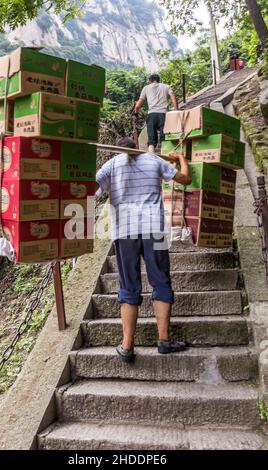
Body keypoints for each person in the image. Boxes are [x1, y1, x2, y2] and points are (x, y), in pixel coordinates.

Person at [95, 137, 191, 363]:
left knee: (128, 284)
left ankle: (127, 346)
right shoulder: (154, 160)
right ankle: (164, 341)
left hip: (124, 233)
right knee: (160, 280)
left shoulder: (112, 164)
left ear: (118, 150)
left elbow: (91, 189)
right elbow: (185, 179)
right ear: (136, 148)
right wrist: (181, 159)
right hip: (154, 231)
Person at [134, 74, 178, 155]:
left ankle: (151, 157)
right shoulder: (166, 86)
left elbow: (138, 105)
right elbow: (173, 97)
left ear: (150, 81)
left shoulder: (146, 88)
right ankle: (165, 155)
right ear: (159, 80)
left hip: (152, 115)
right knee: (164, 137)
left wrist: (136, 112)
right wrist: (176, 110)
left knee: (151, 138)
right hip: (164, 114)